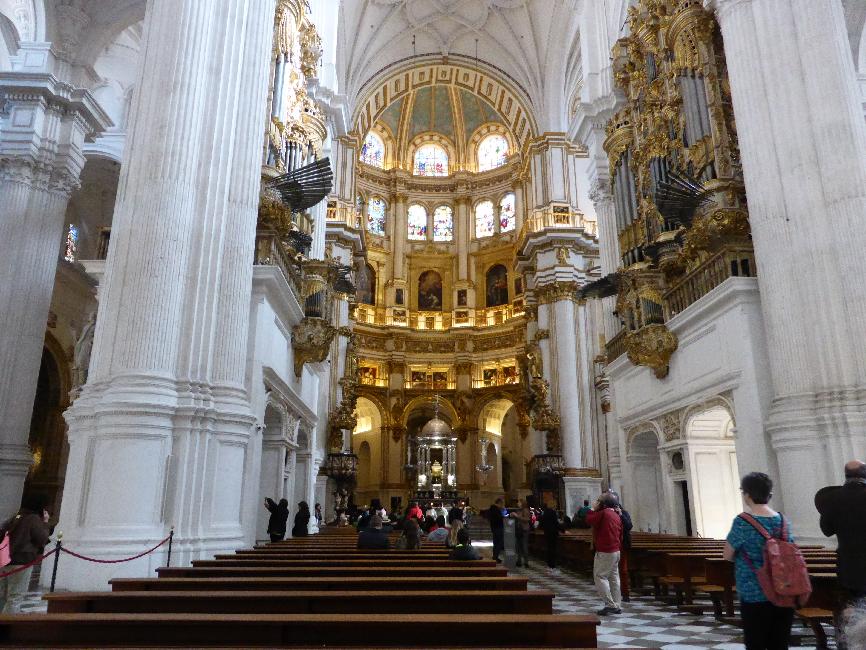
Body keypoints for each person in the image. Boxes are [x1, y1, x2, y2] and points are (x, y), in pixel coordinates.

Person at [724, 472, 795, 649]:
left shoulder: (742, 522)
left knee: (756, 642)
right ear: (769, 494)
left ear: (747, 494)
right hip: (784, 589)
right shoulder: (783, 521)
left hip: (753, 591)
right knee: (779, 643)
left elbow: (727, 554)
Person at [816, 460, 866, 631]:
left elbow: (826, 530)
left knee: (851, 610)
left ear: (846, 475)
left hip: (848, 566)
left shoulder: (832, 498)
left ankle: (850, 641)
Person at [0, 495, 52, 614]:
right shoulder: (33, 519)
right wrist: (45, 522)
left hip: (5, 559)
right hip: (21, 560)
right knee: (15, 596)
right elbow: (42, 538)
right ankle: (8, 626)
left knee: (2, 595)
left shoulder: (16, 516)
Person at [586, 493, 623, 616]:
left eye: (599, 501)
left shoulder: (604, 513)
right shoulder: (616, 514)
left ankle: (610, 605)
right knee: (614, 578)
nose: (597, 503)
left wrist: (592, 509)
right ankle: (617, 604)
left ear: (604, 504)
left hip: (606, 551)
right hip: (615, 550)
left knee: (600, 576)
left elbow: (589, 520)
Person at [612, 496, 633, 602]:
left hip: (622, 544)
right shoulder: (607, 514)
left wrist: (620, 514)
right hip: (612, 545)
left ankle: (625, 593)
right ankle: (614, 593)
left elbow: (629, 526)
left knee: (623, 570)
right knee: (612, 571)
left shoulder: (624, 513)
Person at [540, 503, 563, 569]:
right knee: (553, 548)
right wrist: (563, 530)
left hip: (547, 532)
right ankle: (552, 563)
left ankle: (549, 562)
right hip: (553, 532)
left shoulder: (544, 513)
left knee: (549, 547)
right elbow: (556, 523)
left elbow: (542, 523)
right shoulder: (553, 512)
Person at [512, 500, 532, 568]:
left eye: (519, 502)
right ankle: (519, 561)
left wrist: (517, 516)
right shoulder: (518, 510)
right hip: (518, 530)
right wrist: (513, 516)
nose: (518, 503)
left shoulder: (526, 510)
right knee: (518, 546)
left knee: (524, 546)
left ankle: (526, 562)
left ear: (522, 503)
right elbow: (517, 519)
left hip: (524, 530)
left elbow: (527, 519)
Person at [487, 498, 506, 563]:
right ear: (499, 503)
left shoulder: (492, 509)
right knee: (498, 543)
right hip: (498, 528)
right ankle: (495, 557)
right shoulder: (496, 510)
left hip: (494, 528)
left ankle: (495, 556)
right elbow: (499, 518)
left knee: (496, 543)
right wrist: (504, 515)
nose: (502, 505)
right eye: (502, 504)